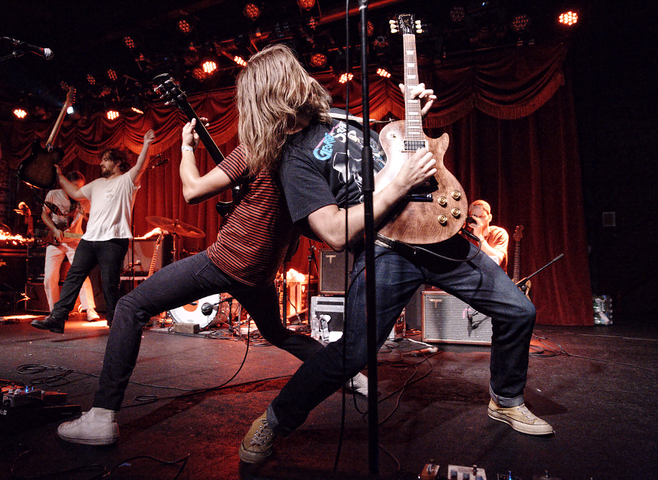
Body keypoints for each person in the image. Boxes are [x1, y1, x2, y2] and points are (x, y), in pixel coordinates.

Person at [237, 45, 553, 465]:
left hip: (437, 236)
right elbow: (332, 232)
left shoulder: (344, 121)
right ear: (271, 94)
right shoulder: (294, 160)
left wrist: (415, 119)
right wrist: (397, 185)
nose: (299, 78)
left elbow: (407, 159)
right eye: (286, 75)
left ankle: (506, 399)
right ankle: (274, 420)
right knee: (352, 354)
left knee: (519, 311)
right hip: (387, 251)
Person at [53, 113, 367, 445]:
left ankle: (101, 417)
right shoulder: (306, 160)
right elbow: (297, 232)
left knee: (130, 307)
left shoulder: (257, 149)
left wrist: (187, 148)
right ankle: (350, 375)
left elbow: (192, 191)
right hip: (259, 272)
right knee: (276, 332)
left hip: (224, 261)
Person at [31, 129, 156, 333]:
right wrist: (60, 175)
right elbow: (75, 193)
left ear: (117, 163)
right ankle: (57, 317)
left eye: (105, 160)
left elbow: (141, 166)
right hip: (89, 240)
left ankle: (115, 323)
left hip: (114, 240)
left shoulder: (127, 180)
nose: (100, 164)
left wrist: (146, 145)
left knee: (109, 284)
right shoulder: (96, 184)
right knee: (73, 276)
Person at [41, 171, 99, 321]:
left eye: (80, 188)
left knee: (81, 274)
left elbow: (93, 217)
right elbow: (44, 214)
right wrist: (54, 229)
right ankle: (55, 312)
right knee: (50, 277)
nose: (77, 192)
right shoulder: (53, 195)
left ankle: (90, 309)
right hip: (55, 241)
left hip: (74, 241)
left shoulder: (84, 200)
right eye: (74, 187)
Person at [466, 199, 509, 272]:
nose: (478, 220)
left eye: (482, 216)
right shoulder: (465, 235)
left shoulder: (499, 233)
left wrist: (479, 236)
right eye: (475, 216)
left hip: (495, 280)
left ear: (490, 218)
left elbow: (496, 261)